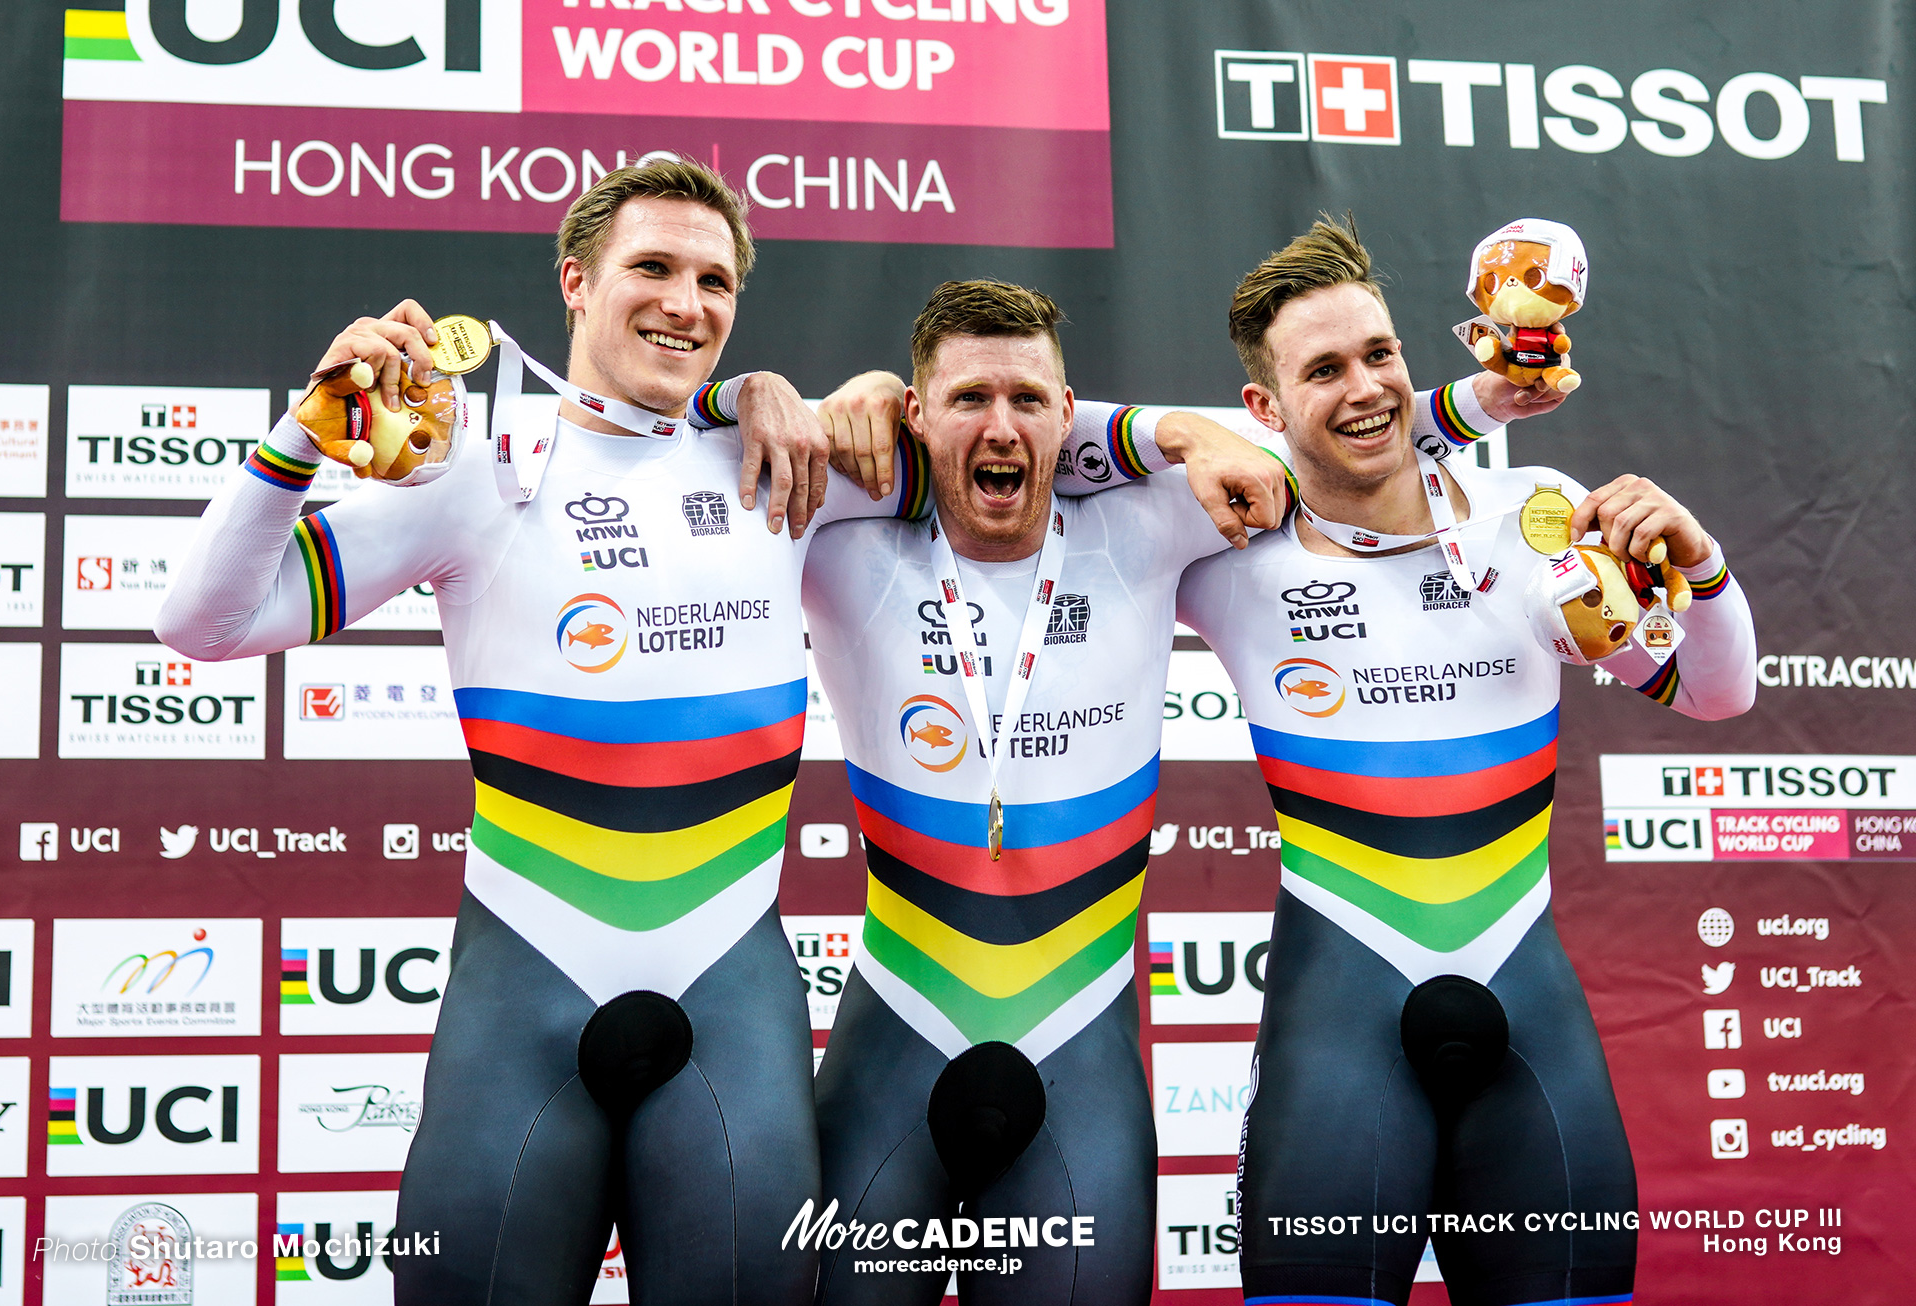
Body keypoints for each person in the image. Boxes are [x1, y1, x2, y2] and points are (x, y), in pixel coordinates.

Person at [156, 161, 1283, 1305]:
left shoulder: (789, 466)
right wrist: (299, 439)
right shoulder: (474, 469)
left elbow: (989, 429)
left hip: (727, 1010)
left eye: (713, 279)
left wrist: (1171, 429)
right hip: (521, 999)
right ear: (575, 282)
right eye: (652, 268)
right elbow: (206, 622)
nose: (684, 303)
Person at [795, 278, 1558, 1306]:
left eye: (1030, 399)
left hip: (1083, 1066)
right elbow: (724, 453)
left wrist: (1181, 431)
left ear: (1070, 418)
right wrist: (821, 397)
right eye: (967, 399)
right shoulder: (840, 533)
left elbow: (1336, 446)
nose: (1001, 426)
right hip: (894, 1037)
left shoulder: (1147, 527)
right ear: (916, 416)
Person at [1171, 216, 1756, 1306]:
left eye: (1381, 354)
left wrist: (1702, 560)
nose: (1365, 388)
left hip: (1525, 1009)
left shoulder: (1526, 514)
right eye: (1324, 369)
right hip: (1337, 1023)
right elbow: (1062, 453)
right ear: (1259, 410)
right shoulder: (1223, 549)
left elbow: (1718, 691)